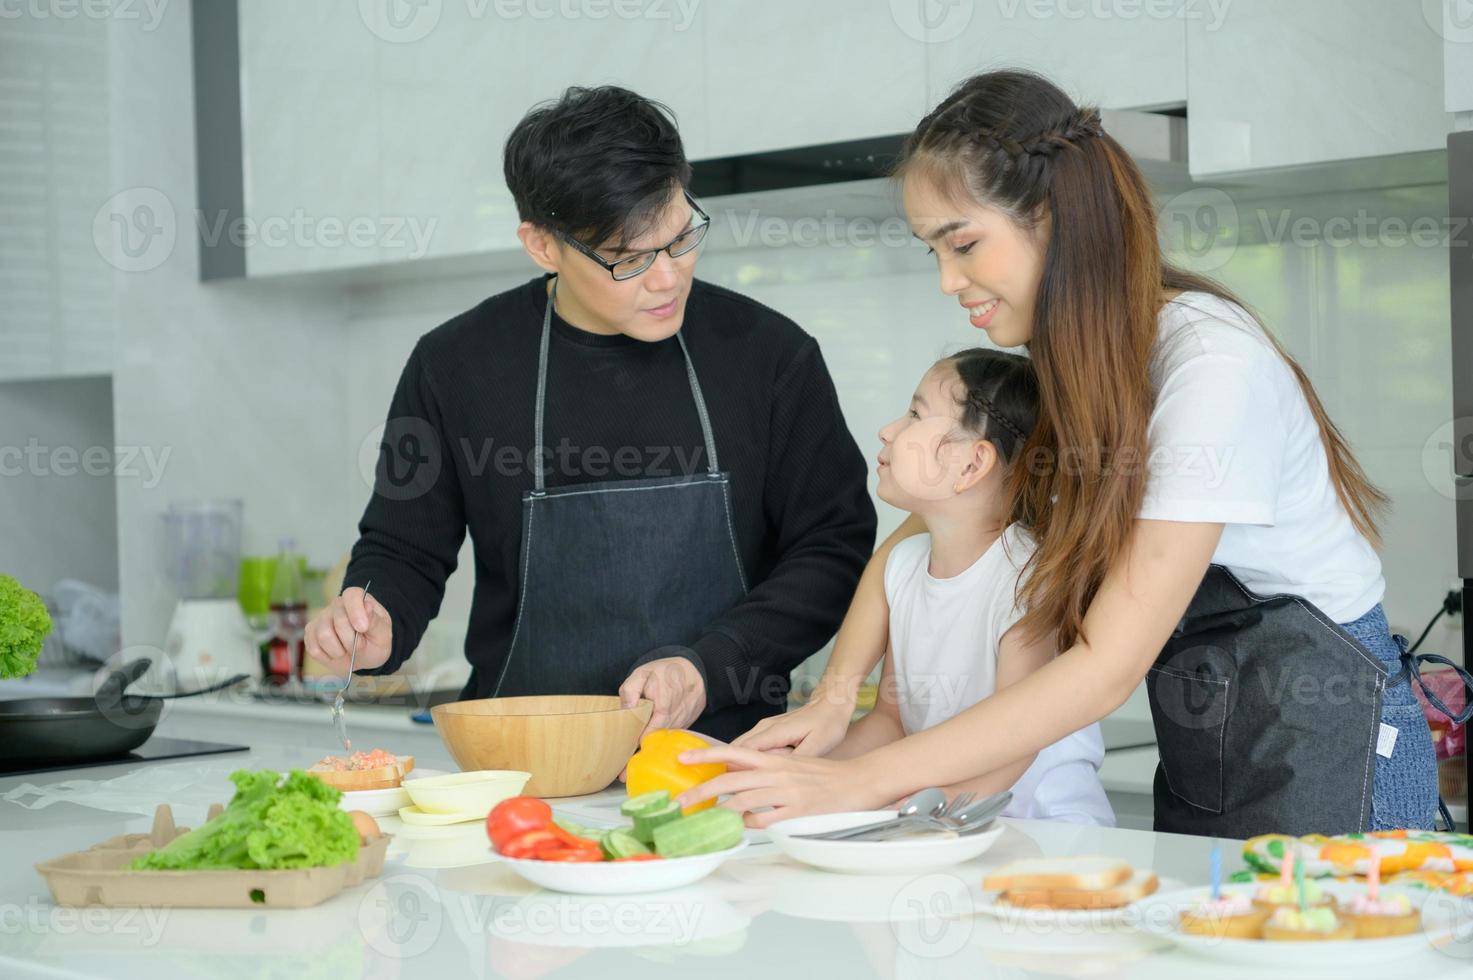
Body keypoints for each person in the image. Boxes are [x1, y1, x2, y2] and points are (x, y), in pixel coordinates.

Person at [678, 70, 1471, 837]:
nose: (948, 281)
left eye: (963, 244)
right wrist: (833, 697)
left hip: (1322, 728)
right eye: (934, 253)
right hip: (1213, 735)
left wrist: (854, 781)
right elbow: (922, 529)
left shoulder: (1209, 367)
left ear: (1054, 217)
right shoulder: (1083, 362)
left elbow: (1104, 668)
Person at [303, 86, 877, 743]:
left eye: (681, 238)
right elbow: (402, 548)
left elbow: (832, 545)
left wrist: (709, 668)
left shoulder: (770, 355)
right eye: (628, 259)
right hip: (521, 770)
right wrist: (376, 618)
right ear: (542, 246)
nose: (667, 277)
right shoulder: (456, 366)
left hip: (726, 763)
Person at [830, 346, 1112, 825]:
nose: (888, 430)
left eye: (914, 414)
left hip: (1048, 834)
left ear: (971, 465)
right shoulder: (903, 565)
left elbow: (1010, 750)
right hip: (946, 825)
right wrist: (799, 775)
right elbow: (890, 721)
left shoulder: (1028, 577)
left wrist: (899, 816)